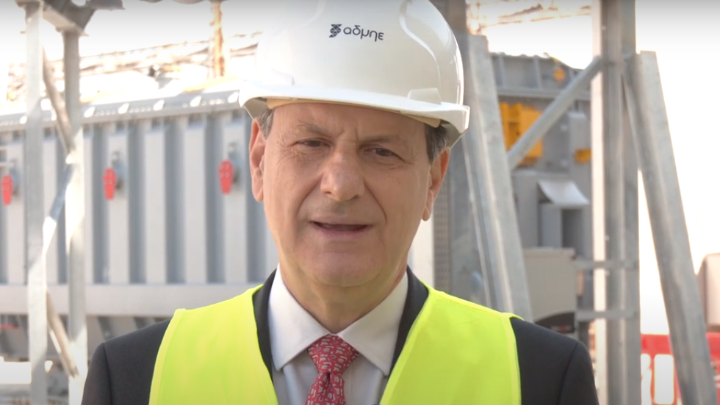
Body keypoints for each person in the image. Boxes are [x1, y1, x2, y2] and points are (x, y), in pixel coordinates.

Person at [81, 1, 599, 404]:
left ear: (433, 180)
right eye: (311, 143)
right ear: (259, 162)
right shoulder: (135, 381)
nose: (342, 184)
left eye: (382, 151)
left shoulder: (538, 380)